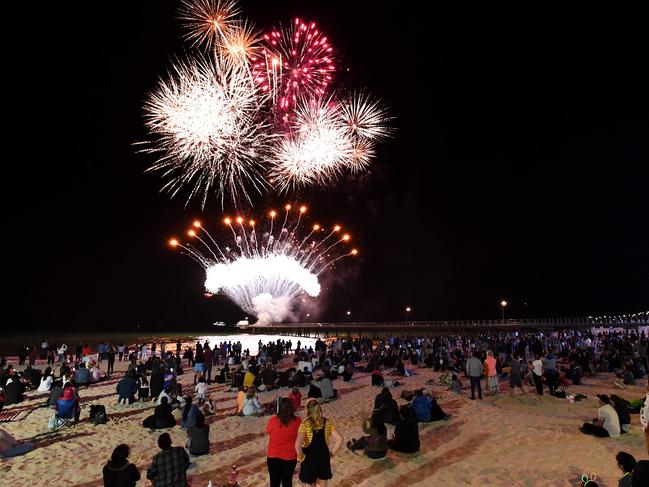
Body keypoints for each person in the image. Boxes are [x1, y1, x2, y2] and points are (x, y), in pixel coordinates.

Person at [295, 398, 343, 486]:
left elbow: (297, 445)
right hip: (323, 457)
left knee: (309, 483)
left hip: (309, 458)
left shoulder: (305, 424)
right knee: (323, 482)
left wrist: (301, 457)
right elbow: (340, 439)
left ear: (307, 410)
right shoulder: (327, 422)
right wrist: (332, 453)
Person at [266, 397, 302, 487]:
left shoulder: (272, 421)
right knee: (287, 482)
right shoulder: (298, 421)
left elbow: (269, 432)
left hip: (273, 456)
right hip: (290, 457)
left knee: (274, 483)